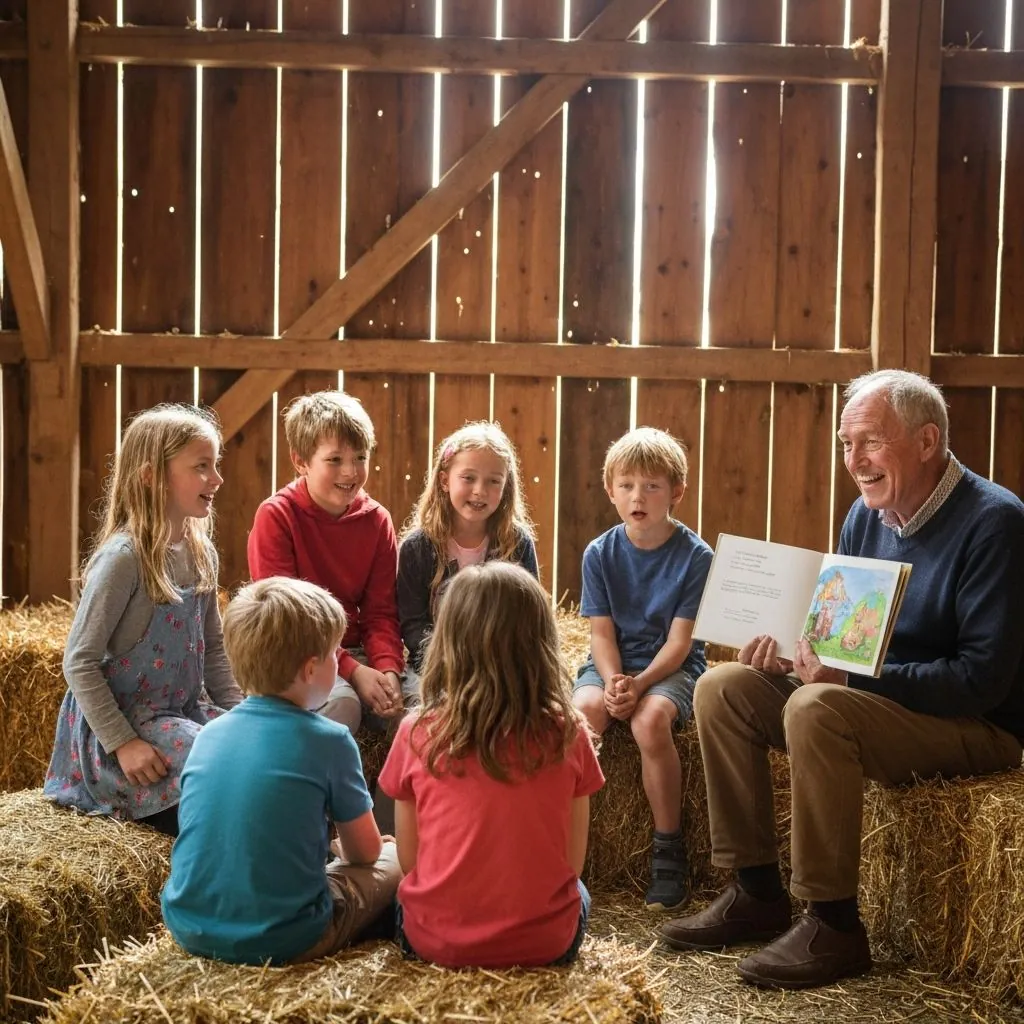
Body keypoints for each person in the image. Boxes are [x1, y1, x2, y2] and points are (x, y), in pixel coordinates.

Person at [661, 369, 1024, 989]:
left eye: (871, 441)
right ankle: (755, 891)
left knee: (816, 707)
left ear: (928, 440)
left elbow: (980, 680)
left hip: (976, 725)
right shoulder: (865, 517)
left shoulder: (996, 522)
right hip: (878, 701)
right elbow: (842, 636)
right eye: (846, 443)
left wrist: (848, 681)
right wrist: (793, 656)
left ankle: (833, 924)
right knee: (722, 688)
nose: (854, 460)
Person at [161, 576, 401, 965]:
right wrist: (375, 848)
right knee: (395, 859)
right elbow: (366, 852)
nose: (337, 666)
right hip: (288, 937)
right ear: (310, 669)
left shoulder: (208, 735)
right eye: (333, 656)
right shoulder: (331, 740)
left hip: (189, 926)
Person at [378, 561, 604, 968]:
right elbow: (572, 865)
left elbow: (411, 863)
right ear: (541, 644)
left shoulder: (416, 732)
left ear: (448, 643)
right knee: (580, 893)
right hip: (545, 944)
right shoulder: (569, 732)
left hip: (434, 944)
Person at [43, 404, 242, 836]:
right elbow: (79, 661)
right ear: (152, 475)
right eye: (202, 467)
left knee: (259, 747)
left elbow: (215, 658)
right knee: (221, 756)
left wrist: (245, 715)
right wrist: (124, 744)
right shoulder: (123, 560)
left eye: (216, 465)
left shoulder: (201, 552)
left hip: (182, 713)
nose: (217, 479)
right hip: (125, 729)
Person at [572, 427, 712, 912]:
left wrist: (641, 684)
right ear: (610, 490)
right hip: (613, 664)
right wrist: (612, 681)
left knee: (650, 721)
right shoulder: (599, 553)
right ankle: (568, 847)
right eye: (627, 485)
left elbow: (680, 643)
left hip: (669, 667)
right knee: (583, 714)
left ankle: (668, 849)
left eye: (652, 486)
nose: (638, 497)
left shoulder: (696, 557)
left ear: (677, 492)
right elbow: (601, 636)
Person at [247, 390, 408, 735]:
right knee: (342, 705)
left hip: (356, 653)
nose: (350, 472)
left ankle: (386, 792)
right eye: (334, 460)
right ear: (300, 461)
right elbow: (288, 621)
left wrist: (388, 670)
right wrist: (353, 672)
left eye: (360, 457)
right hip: (299, 654)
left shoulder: (377, 521)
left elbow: (381, 613)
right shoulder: (277, 516)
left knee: (412, 711)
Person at [398, 421, 538, 674]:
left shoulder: (517, 544)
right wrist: (451, 662)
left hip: (502, 670)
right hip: (437, 669)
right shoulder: (417, 548)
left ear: (506, 487)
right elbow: (413, 626)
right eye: (468, 478)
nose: (479, 491)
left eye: (493, 481)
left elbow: (530, 617)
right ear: (444, 480)